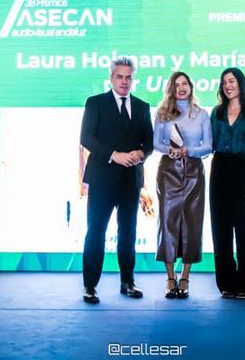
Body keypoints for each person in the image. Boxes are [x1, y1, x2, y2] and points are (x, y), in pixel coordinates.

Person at [79, 57, 154, 304]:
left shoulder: (143, 107)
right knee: (96, 232)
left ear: (133, 79)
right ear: (111, 78)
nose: (124, 81)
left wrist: (141, 154)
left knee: (128, 233)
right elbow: (87, 138)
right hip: (102, 179)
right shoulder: (96, 103)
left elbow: (149, 142)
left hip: (131, 180)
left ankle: (128, 282)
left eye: (128, 77)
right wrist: (115, 155)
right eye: (119, 76)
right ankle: (90, 286)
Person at [209, 66, 245, 299]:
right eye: (224, 82)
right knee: (220, 230)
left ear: (240, 84)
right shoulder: (216, 112)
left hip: (244, 172)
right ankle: (227, 283)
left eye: (232, 81)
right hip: (220, 170)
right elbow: (207, 143)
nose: (228, 85)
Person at [152, 71, 211, 300]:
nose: (182, 88)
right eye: (177, 85)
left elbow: (208, 146)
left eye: (185, 83)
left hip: (194, 172)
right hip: (168, 171)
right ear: (171, 89)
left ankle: (185, 277)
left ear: (191, 86)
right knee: (167, 223)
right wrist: (170, 150)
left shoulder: (202, 115)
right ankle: (169, 278)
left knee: (192, 225)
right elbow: (156, 143)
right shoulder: (163, 113)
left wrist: (189, 151)